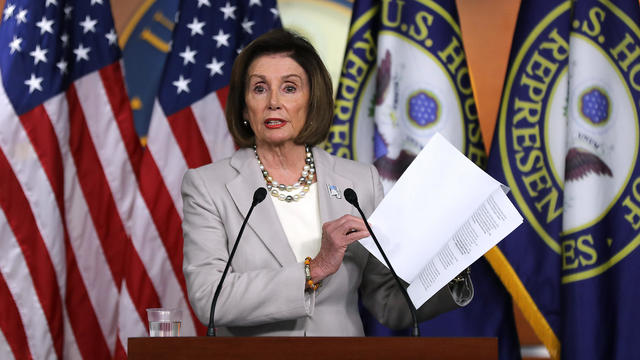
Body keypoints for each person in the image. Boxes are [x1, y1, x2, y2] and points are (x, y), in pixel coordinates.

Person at [181, 29, 473, 336]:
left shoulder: (359, 182)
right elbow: (208, 297)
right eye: (259, 89)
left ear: (312, 100)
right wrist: (313, 270)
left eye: (290, 88)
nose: (274, 102)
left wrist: (449, 274)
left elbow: (385, 299)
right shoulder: (208, 186)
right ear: (244, 107)